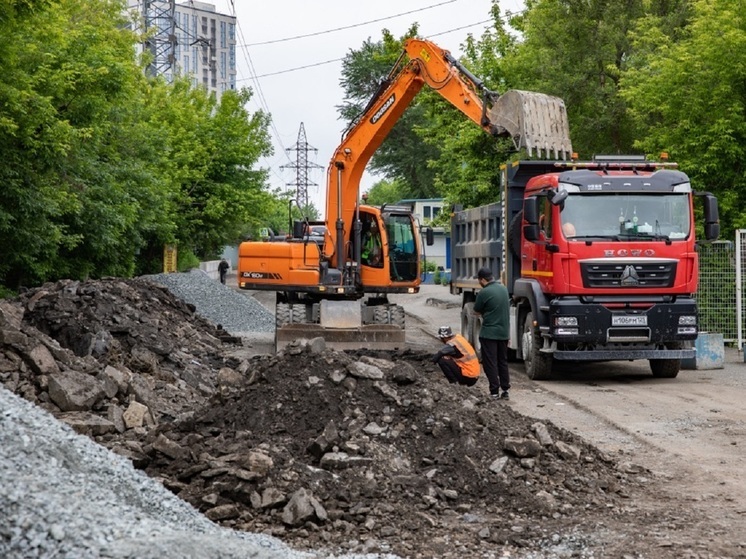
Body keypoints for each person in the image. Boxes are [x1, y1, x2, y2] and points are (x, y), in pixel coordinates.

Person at [474, 267, 511, 400]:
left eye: (479, 280)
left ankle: (494, 391)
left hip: (489, 333)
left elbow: (476, 311)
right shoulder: (504, 289)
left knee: (490, 363)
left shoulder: (484, 292)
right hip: (503, 333)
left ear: (483, 280)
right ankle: (505, 390)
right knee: (502, 361)